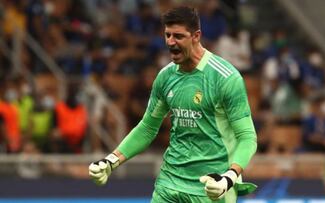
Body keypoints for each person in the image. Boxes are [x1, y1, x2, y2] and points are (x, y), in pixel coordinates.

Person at [89, 6, 257, 203]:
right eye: (167, 35)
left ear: (196, 36)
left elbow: (247, 137)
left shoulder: (225, 78)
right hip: (169, 183)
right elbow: (147, 128)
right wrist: (111, 161)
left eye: (178, 36)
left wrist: (229, 177)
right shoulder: (165, 77)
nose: (170, 42)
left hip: (212, 187)